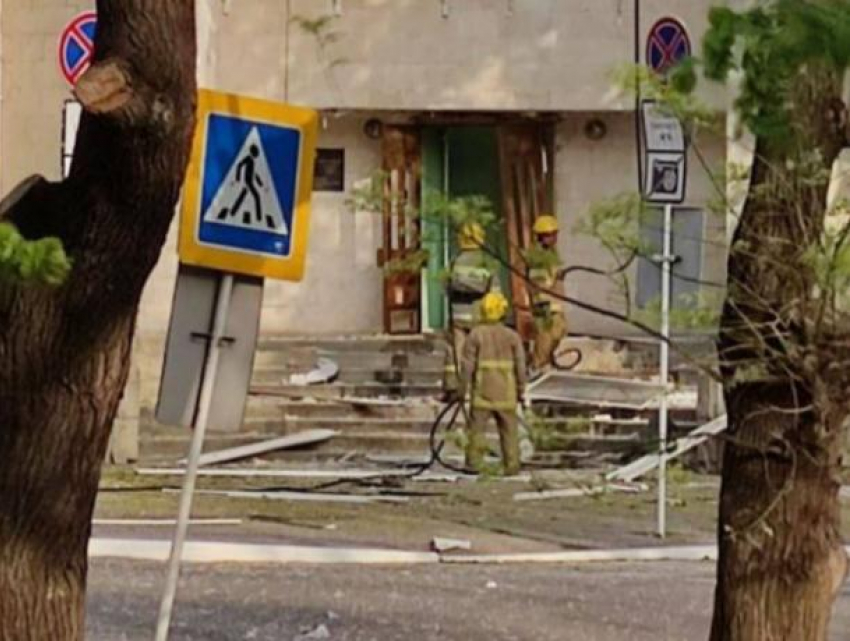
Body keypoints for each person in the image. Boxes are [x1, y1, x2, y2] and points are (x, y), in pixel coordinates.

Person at [460, 291, 527, 476]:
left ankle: (473, 463)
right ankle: (512, 465)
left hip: (482, 391)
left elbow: (467, 365)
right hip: (507, 392)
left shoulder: (475, 335)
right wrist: (522, 389)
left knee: (476, 431)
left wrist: (461, 389)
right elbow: (521, 366)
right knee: (509, 432)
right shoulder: (512, 336)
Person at [443, 222, 497, 398]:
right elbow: (494, 290)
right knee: (480, 352)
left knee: (459, 353)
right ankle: (479, 388)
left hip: (458, 314)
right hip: (479, 315)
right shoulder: (486, 260)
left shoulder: (455, 260)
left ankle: (459, 389)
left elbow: (446, 286)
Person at [527, 214, 567, 371]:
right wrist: (556, 280)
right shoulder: (538, 257)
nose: (555, 238)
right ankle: (537, 368)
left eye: (555, 234)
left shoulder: (552, 254)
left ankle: (543, 363)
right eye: (552, 234)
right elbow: (539, 285)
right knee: (545, 339)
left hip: (554, 303)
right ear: (542, 236)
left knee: (560, 331)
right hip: (544, 305)